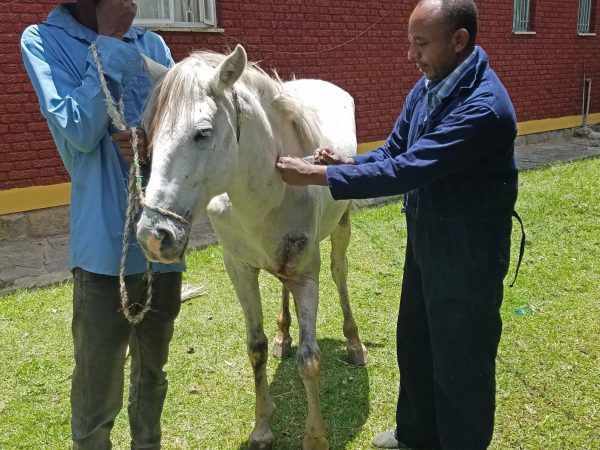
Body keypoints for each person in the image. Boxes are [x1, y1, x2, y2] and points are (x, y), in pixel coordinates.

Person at [276, 0, 518, 449]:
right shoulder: (429, 87)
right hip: (427, 236)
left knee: (460, 357)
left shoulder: (483, 106)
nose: (412, 55)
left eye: (421, 44)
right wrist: (347, 161)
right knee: (416, 340)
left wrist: (318, 175)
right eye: (411, 42)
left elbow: (409, 170)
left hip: (469, 249)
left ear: (459, 41)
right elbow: (393, 153)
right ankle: (415, 435)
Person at [21, 1, 185, 448]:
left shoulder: (152, 43)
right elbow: (78, 128)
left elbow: (181, 132)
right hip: (100, 251)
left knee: (152, 373)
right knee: (97, 385)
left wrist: (153, 143)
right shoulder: (42, 41)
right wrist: (109, 41)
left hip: (161, 242)